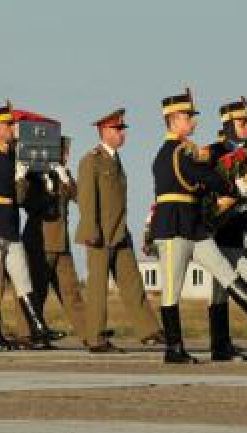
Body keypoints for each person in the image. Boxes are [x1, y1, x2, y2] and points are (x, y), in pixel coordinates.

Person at [149, 88, 247, 364]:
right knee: (172, 291)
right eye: (188, 117)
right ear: (173, 120)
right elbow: (203, 176)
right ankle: (173, 349)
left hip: (193, 225)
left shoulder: (185, 151)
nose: (194, 122)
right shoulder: (174, 152)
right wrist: (236, 186)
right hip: (173, 225)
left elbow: (201, 176)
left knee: (225, 272)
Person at [76, 108, 164, 353]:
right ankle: (96, 338)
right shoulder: (91, 160)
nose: (122, 133)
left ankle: (149, 330)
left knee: (133, 283)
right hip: (100, 235)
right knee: (97, 288)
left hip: (120, 232)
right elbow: (86, 199)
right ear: (104, 131)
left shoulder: (114, 159)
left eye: (122, 129)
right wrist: (92, 230)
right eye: (117, 129)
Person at [0, 101, 57, 350]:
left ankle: (38, 329)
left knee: (22, 278)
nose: (11, 129)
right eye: (7, 125)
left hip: (10, 224)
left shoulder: (13, 153)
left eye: (11, 124)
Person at [14, 136, 86, 346]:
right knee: (36, 291)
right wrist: (46, 186)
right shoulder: (35, 177)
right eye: (62, 153)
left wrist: (64, 180)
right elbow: (28, 205)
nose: (65, 157)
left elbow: (80, 197)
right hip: (39, 243)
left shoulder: (64, 175)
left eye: (66, 153)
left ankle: (91, 335)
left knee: (72, 292)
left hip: (61, 244)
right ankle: (27, 334)